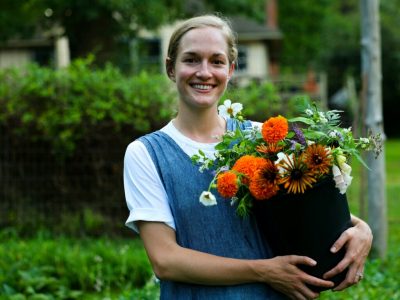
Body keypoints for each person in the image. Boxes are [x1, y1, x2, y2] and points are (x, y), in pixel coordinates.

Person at [123, 14, 372, 300]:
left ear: (230, 69)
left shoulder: (261, 138)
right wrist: (263, 270)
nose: (204, 72)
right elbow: (166, 260)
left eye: (216, 61)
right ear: (171, 67)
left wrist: (361, 228)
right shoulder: (147, 154)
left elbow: (303, 204)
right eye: (191, 59)